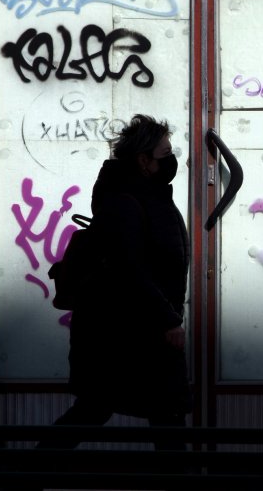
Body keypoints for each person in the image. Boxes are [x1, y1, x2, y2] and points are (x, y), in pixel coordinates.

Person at [45, 114, 191, 446]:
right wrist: (169, 320)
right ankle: (23, 475)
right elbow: (130, 269)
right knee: (105, 408)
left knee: (123, 409)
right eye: (165, 153)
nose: (172, 160)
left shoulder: (148, 195)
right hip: (124, 331)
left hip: (136, 328)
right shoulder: (124, 201)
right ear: (143, 161)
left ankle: (25, 474)